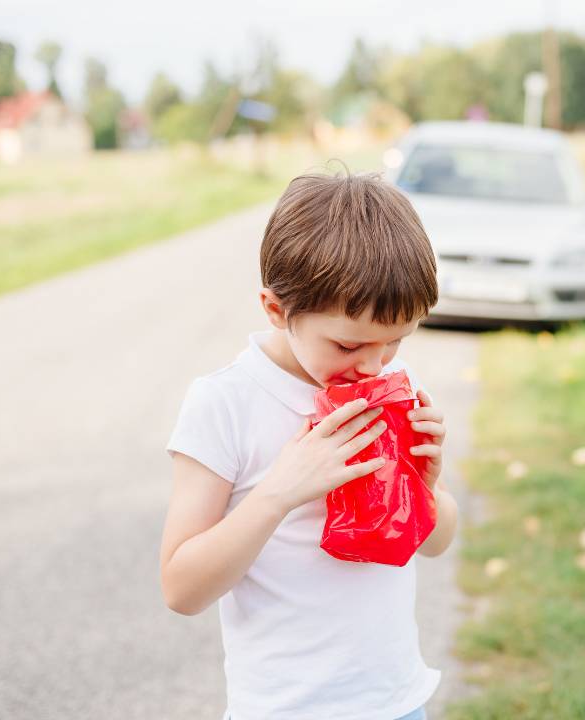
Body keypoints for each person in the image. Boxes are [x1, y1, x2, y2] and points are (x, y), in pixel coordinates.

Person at [159, 170, 459, 720]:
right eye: (349, 344)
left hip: (398, 703)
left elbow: (436, 542)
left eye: (396, 342)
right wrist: (279, 493)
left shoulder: (397, 383)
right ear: (276, 310)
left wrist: (426, 484)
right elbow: (182, 588)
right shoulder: (225, 403)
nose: (373, 365)